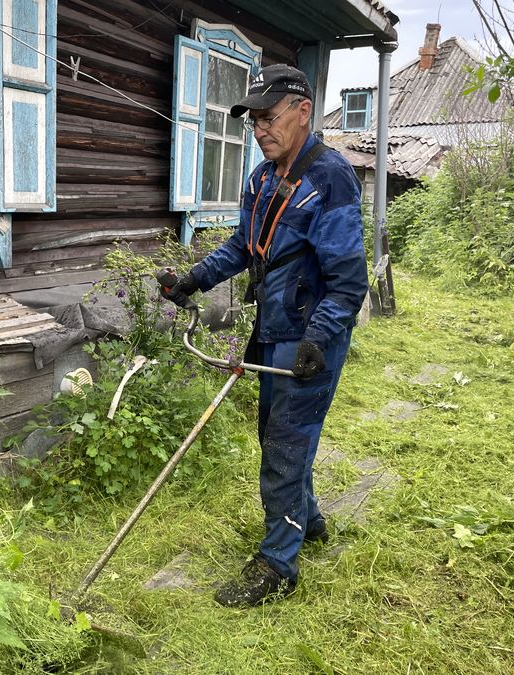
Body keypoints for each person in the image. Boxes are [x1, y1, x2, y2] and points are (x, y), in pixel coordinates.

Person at [161, 64, 368, 608]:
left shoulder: (331, 177)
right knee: (275, 435)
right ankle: (311, 521)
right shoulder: (262, 179)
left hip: (311, 337)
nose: (259, 130)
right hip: (272, 328)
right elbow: (242, 248)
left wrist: (318, 339)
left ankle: (278, 563)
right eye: (253, 121)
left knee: (286, 443)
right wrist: (192, 279)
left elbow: (349, 284)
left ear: (303, 112)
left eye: (268, 118)